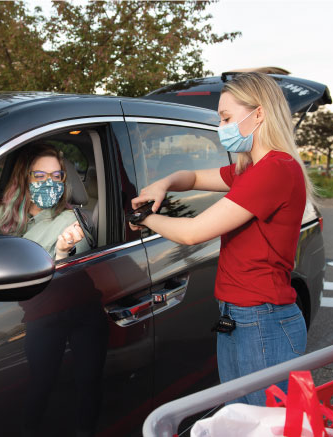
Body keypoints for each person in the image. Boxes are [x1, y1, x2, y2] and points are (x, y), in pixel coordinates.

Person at [128, 72, 315, 406]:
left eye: (227, 118)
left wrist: (145, 220)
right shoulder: (251, 170)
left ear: (258, 113)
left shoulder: (275, 169)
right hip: (241, 314)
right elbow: (196, 176)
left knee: (261, 424)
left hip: (262, 318)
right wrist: (165, 182)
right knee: (241, 420)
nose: (221, 127)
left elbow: (192, 232)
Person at [0, 144, 87, 260]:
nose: (49, 183)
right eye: (40, 176)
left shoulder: (71, 224)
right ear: (24, 180)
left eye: (56, 176)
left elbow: (72, 273)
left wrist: (62, 253)